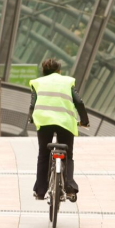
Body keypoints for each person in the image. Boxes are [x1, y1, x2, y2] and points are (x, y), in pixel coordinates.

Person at [28, 58, 90, 202]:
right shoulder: (68, 81)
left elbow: (33, 104)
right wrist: (84, 121)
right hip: (65, 122)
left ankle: (40, 191)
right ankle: (69, 188)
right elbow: (79, 102)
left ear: (43, 72)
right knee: (67, 155)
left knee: (43, 155)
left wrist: (31, 118)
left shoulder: (37, 83)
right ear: (59, 71)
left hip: (44, 122)